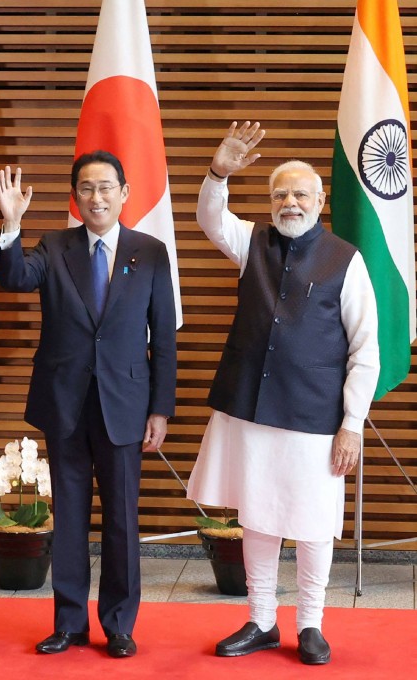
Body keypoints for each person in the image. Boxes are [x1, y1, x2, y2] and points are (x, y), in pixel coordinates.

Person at [186, 122, 379, 666]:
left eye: (299, 193)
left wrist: (352, 423)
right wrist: (219, 169)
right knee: (260, 516)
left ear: (320, 200)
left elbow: (366, 348)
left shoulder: (346, 259)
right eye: (279, 194)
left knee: (314, 522)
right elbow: (209, 218)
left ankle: (312, 624)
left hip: (316, 416)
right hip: (252, 409)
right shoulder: (252, 241)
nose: (289, 202)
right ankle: (262, 619)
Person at [0, 153, 177, 659]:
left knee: (121, 519)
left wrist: (159, 409)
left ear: (124, 192)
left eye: (105, 188)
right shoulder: (54, 246)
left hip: (126, 405)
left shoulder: (152, 252)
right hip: (66, 404)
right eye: (86, 189)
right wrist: (11, 224)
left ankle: (119, 624)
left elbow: (163, 338)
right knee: (69, 517)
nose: (95, 198)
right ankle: (70, 623)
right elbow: (14, 279)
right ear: (74, 197)